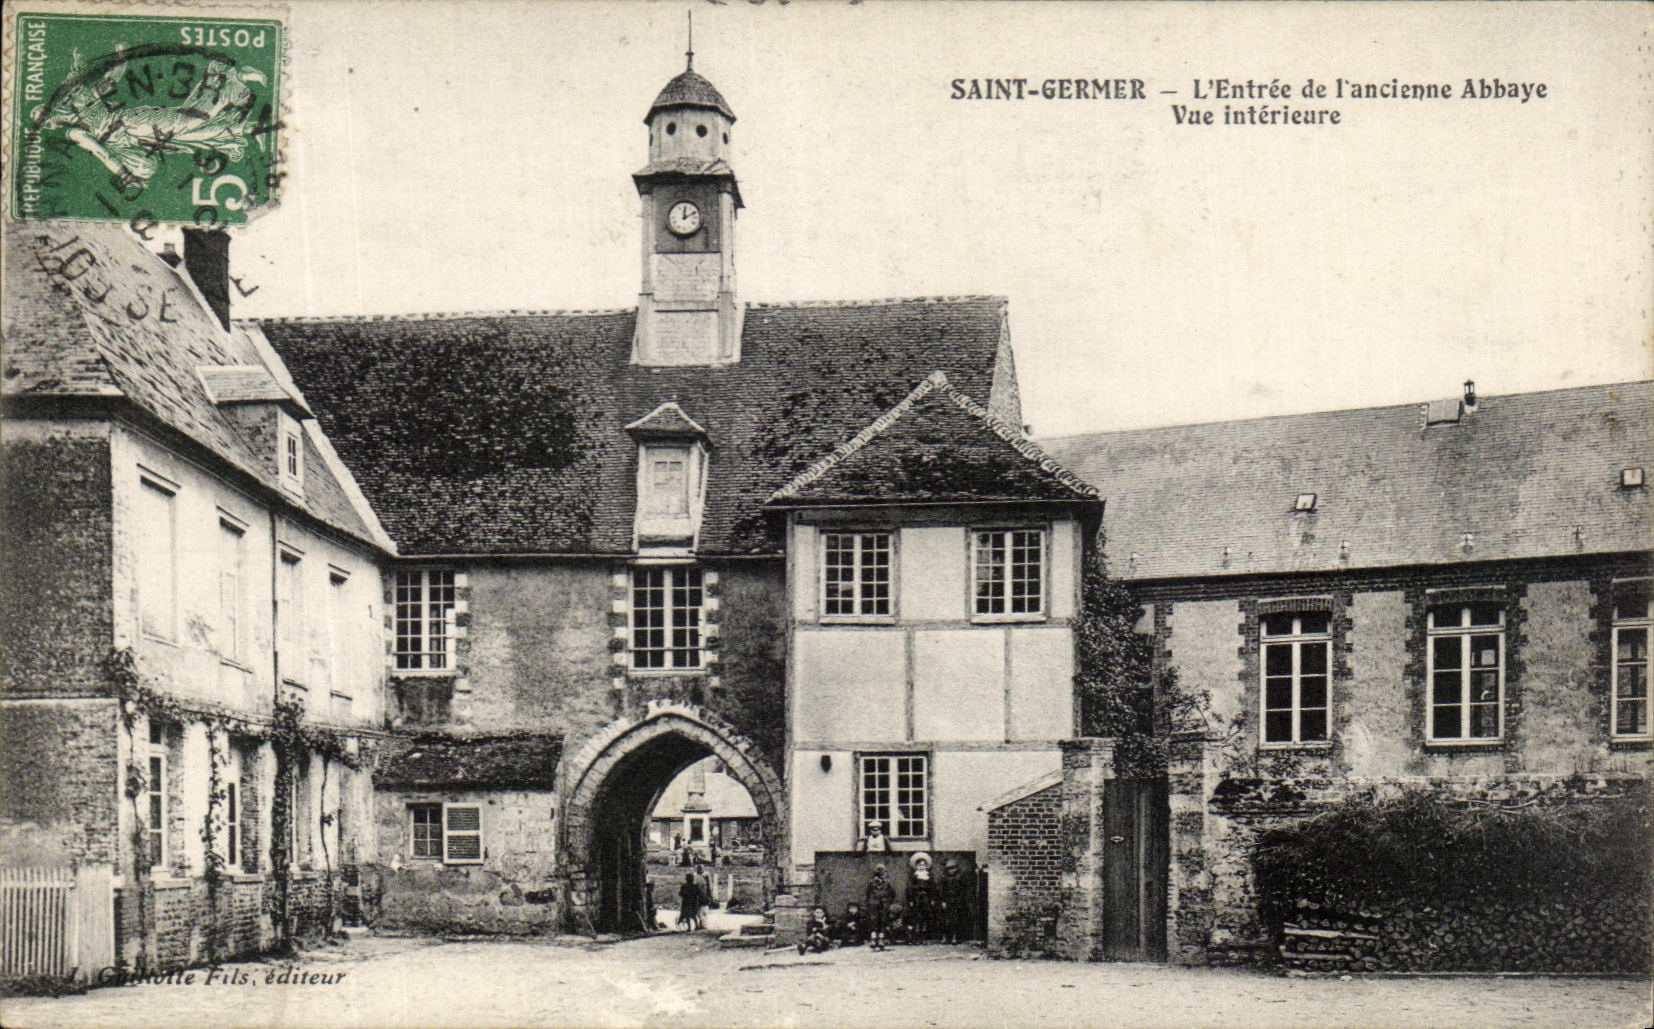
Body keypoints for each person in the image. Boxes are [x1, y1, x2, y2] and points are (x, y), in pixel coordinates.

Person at [906, 852, 939, 941]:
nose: (922, 867)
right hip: (916, 898)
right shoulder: (914, 876)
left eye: (923, 865)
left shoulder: (929, 876)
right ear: (916, 866)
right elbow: (909, 888)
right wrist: (911, 900)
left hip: (926, 898)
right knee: (917, 916)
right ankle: (916, 936)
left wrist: (932, 899)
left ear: (926, 866)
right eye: (920, 865)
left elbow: (933, 888)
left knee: (925, 916)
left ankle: (924, 937)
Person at [937, 858, 971, 944]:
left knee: (956, 919)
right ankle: (944, 937)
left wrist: (961, 900)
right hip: (947, 901)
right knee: (945, 920)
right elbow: (941, 891)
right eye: (950, 869)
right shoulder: (943, 878)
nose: (952, 870)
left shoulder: (959, 878)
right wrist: (943, 901)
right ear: (947, 870)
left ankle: (954, 937)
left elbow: (963, 890)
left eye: (954, 868)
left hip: (956, 900)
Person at [864, 863, 897, 951]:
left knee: (883, 920)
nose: (883, 875)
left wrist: (888, 901)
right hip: (874, 903)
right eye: (881, 874)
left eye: (884, 873)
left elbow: (893, 893)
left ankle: (881, 938)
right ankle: (874, 938)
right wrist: (870, 902)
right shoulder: (871, 883)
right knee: (874, 921)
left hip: (884, 904)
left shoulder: (887, 883)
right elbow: (867, 893)